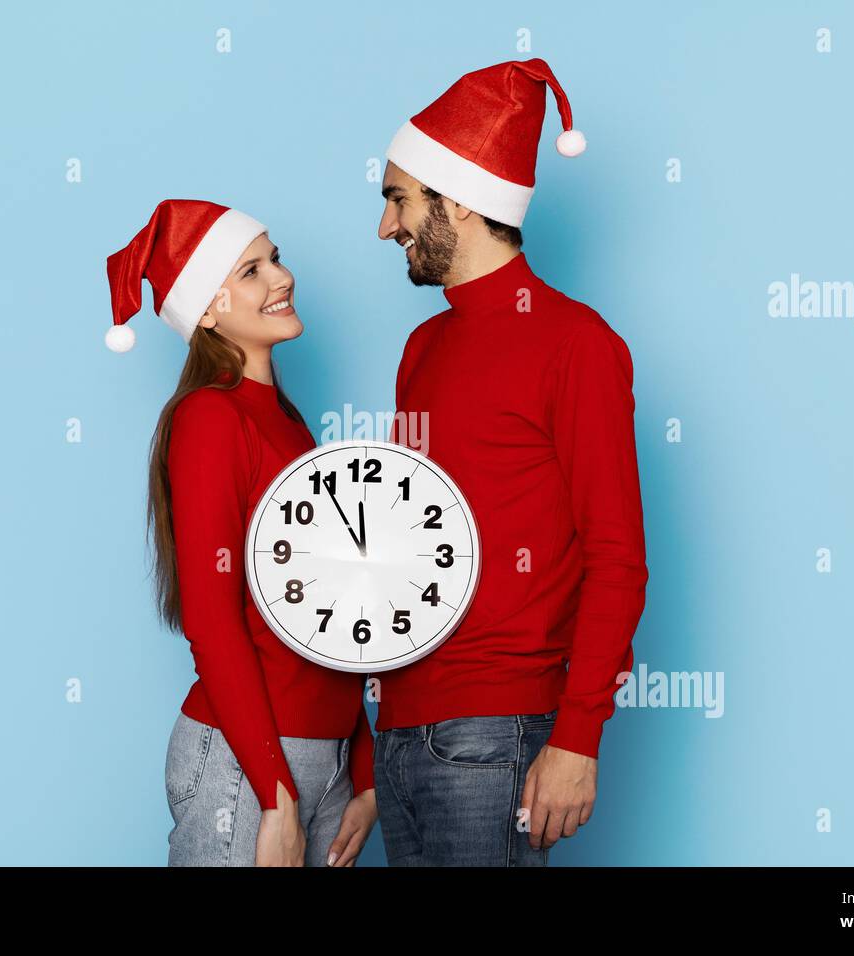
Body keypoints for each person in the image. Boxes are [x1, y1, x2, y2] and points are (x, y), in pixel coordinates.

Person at [372, 59, 649, 866]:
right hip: (398, 725)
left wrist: (578, 737)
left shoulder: (577, 344)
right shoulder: (422, 346)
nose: (384, 228)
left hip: (497, 734)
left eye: (397, 199)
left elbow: (617, 557)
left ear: (457, 199)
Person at [105, 199, 377, 866]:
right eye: (251, 270)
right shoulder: (209, 419)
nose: (281, 277)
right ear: (206, 309)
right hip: (246, 763)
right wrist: (275, 796)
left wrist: (365, 773)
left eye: (275, 258)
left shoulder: (288, 425)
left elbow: (336, 619)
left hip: (325, 757)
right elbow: (212, 618)